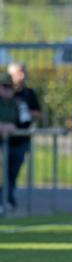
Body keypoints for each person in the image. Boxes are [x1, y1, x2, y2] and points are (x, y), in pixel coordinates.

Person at [6, 63, 42, 212]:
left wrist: (26, 110)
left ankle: (8, 199)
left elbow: (39, 114)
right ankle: (7, 200)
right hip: (4, 139)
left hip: (21, 139)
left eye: (24, 72)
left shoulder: (29, 93)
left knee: (13, 173)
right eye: (19, 73)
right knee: (4, 173)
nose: (22, 76)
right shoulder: (5, 93)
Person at [0, 72, 20, 215]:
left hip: (12, 144)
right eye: (4, 87)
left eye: (9, 87)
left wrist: (13, 126)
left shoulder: (16, 103)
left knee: (9, 175)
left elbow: (23, 121)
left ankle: (7, 201)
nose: (7, 90)